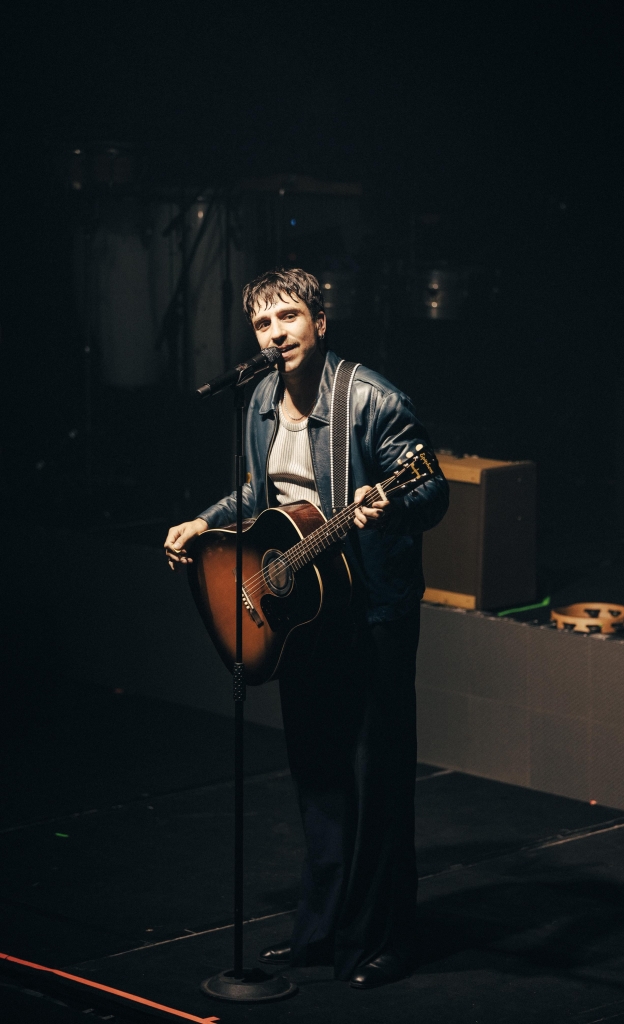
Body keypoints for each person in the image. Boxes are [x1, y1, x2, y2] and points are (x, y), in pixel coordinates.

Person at [164, 268, 448, 988]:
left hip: (372, 611)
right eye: (263, 323)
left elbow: (430, 487)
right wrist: (205, 521)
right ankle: (320, 931)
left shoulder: (372, 399)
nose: (275, 333)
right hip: (304, 613)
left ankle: (383, 938)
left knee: (377, 779)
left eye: (288, 316)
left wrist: (390, 506)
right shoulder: (261, 399)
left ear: (320, 322)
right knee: (317, 773)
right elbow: (258, 492)